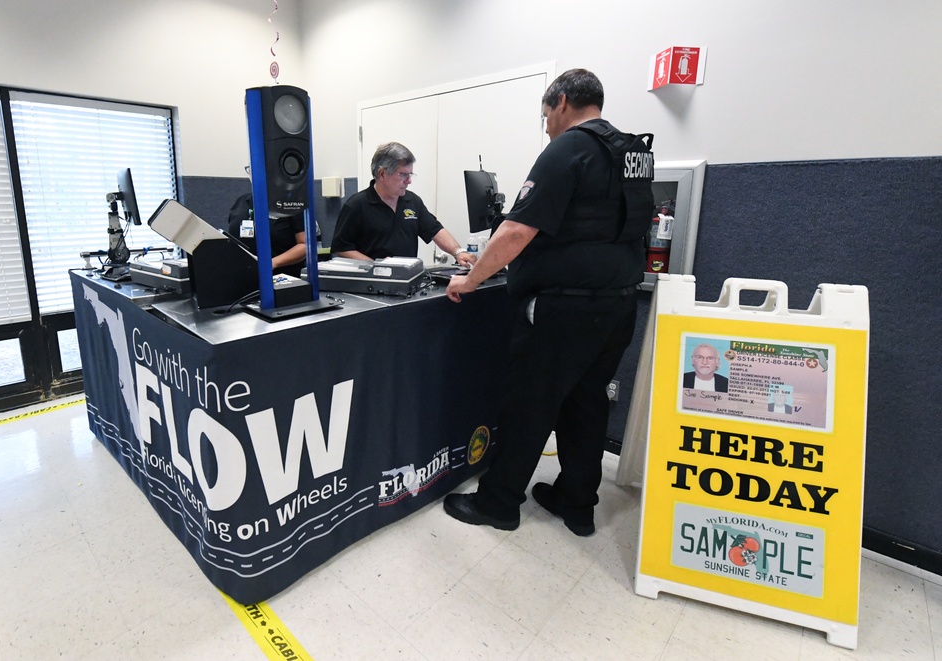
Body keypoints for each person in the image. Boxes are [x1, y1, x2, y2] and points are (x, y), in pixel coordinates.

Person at [441, 68, 654, 537]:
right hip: (619, 305)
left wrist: (471, 280)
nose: (546, 125)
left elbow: (517, 230)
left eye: (545, 115)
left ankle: (498, 503)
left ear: (560, 102)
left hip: (564, 309)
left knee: (530, 403)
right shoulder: (633, 152)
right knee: (586, 404)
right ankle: (576, 503)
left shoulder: (570, 148)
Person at [330, 142, 476, 267]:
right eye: (403, 174)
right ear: (382, 174)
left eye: (410, 174)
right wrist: (376, 266)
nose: (409, 181)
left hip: (406, 281)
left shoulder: (413, 201)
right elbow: (341, 248)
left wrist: (458, 252)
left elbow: (435, 230)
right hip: (371, 285)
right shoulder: (356, 205)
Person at [227, 192, 307, 278]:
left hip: (280, 276)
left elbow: (305, 245)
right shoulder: (242, 201)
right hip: (243, 275)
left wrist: (271, 264)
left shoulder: (292, 203)